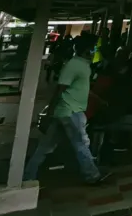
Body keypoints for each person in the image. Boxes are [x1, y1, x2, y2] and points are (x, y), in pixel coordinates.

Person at [24, 36, 108, 184]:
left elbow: (82, 88)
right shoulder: (74, 65)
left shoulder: (83, 65)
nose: (94, 51)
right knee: (81, 143)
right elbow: (60, 88)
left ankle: (28, 175)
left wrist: (99, 100)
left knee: (45, 146)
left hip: (66, 111)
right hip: (70, 111)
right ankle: (92, 175)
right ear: (86, 50)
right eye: (93, 48)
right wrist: (50, 111)